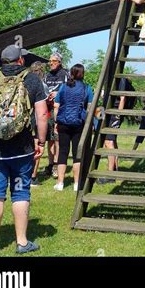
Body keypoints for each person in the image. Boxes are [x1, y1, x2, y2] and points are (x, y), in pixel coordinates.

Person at [0, 45, 48, 255]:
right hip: (22, 150)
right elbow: (42, 115)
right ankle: (22, 242)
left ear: (2, 61)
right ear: (21, 61)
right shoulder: (32, 80)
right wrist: (40, 142)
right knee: (20, 192)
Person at [53, 64, 93, 192]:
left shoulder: (63, 87)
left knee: (63, 152)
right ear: (83, 74)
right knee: (77, 154)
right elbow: (90, 108)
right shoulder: (87, 88)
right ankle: (77, 183)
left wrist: (56, 121)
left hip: (63, 123)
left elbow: (56, 105)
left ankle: (60, 183)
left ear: (71, 73)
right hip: (78, 123)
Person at [100, 76, 134, 183]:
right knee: (112, 140)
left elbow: (123, 98)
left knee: (109, 142)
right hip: (109, 112)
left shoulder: (120, 80)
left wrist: (118, 115)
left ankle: (110, 175)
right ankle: (115, 170)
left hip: (114, 113)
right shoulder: (112, 79)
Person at [44, 53, 68, 179]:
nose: (51, 63)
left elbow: (70, 90)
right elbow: (42, 89)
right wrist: (46, 95)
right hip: (47, 109)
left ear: (59, 62)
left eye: (54, 61)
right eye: (50, 61)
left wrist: (58, 94)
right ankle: (50, 164)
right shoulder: (47, 75)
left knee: (58, 138)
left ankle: (57, 166)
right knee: (50, 139)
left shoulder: (65, 74)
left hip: (59, 110)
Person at [29, 63, 50, 186]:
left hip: (25, 120)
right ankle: (33, 177)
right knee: (37, 148)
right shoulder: (42, 85)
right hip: (37, 121)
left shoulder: (23, 83)